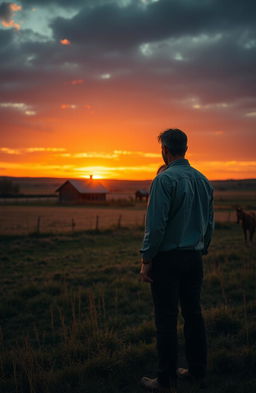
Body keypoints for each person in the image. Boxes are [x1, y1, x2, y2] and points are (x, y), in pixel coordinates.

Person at [139, 129, 214, 393]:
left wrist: (147, 259)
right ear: (185, 148)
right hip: (194, 258)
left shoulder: (164, 180)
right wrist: (200, 249)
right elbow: (209, 224)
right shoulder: (203, 180)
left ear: (165, 150)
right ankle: (196, 372)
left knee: (166, 319)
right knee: (194, 315)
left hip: (168, 260)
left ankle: (165, 380)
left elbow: (156, 226)